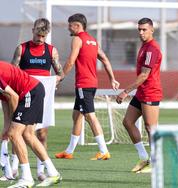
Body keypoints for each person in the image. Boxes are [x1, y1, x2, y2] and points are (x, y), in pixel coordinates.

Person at [5, 18, 63, 181]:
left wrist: (57, 79)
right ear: (32, 31)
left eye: (43, 37)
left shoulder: (52, 51)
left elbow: (60, 73)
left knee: (42, 133)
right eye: (38, 35)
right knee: (19, 130)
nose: (40, 39)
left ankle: (40, 170)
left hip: (42, 93)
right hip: (24, 94)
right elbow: (11, 71)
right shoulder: (22, 49)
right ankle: (15, 167)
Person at [55, 13, 119, 160]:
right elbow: (105, 59)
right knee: (76, 115)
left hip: (83, 84)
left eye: (70, 25)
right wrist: (112, 79)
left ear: (77, 26)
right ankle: (69, 151)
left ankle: (104, 150)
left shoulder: (78, 39)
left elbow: (71, 61)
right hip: (91, 84)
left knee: (90, 116)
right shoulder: (93, 41)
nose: (68, 28)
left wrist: (60, 77)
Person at [0, 61, 61, 187]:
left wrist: (11, 127)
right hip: (35, 90)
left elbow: (13, 97)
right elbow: (5, 102)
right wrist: (5, 130)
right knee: (27, 135)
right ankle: (53, 173)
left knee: (14, 134)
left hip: (30, 92)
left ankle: (26, 179)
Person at [116, 17, 162, 173]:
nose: (141, 32)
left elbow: (144, 76)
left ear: (152, 30)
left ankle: (156, 163)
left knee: (151, 128)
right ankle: (144, 158)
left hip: (151, 93)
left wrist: (125, 92)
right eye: (139, 29)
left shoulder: (152, 49)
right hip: (141, 92)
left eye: (144, 29)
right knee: (128, 122)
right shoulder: (144, 46)